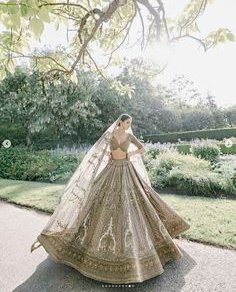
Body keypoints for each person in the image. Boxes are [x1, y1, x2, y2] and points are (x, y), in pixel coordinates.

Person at [30, 113, 190, 284]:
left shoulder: (130, 136)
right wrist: (109, 156)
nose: (129, 125)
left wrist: (131, 154)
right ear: (120, 122)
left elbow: (142, 148)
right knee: (98, 202)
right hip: (112, 169)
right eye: (127, 122)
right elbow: (99, 152)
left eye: (130, 123)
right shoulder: (109, 135)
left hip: (127, 169)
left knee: (136, 202)